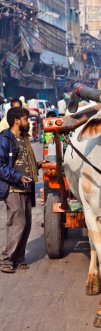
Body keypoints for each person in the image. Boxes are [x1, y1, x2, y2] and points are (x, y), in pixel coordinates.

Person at [0, 107, 45, 273]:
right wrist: (18, 177)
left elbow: (25, 163)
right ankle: (6, 259)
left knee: (26, 225)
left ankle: (18, 259)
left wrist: (38, 165)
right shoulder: (5, 139)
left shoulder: (25, 139)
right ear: (17, 120)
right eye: (26, 119)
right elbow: (1, 166)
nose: (29, 122)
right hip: (13, 188)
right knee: (18, 223)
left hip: (26, 188)